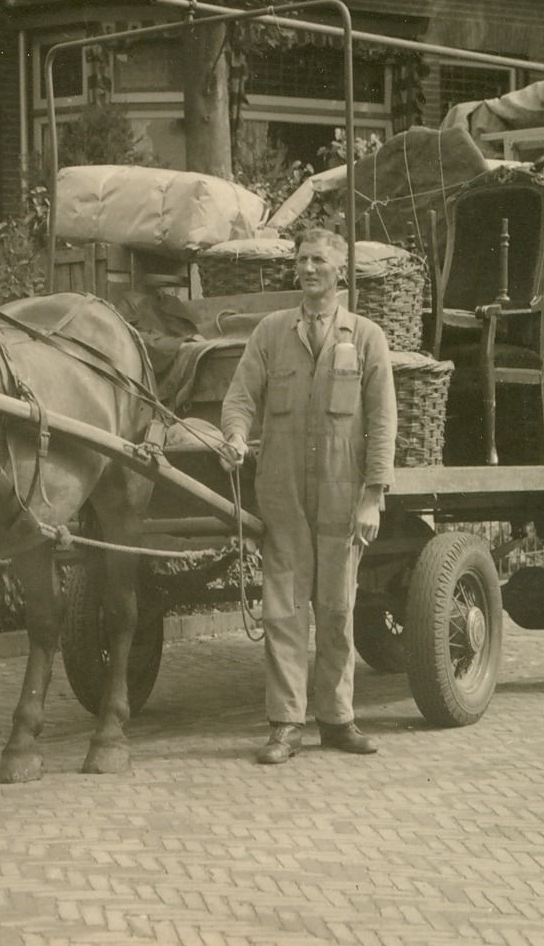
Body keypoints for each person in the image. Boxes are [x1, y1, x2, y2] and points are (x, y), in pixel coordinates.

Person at [219, 227, 396, 764]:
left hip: (343, 492)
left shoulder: (366, 337)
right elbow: (240, 397)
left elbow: (383, 422)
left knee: (338, 609)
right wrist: (234, 437)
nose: (308, 268)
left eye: (319, 260)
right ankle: (286, 725)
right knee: (284, 610)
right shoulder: (272, 332)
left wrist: (373, 495)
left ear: (340, 271)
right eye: (302, 260)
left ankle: (337, 720)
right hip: (283, 494)